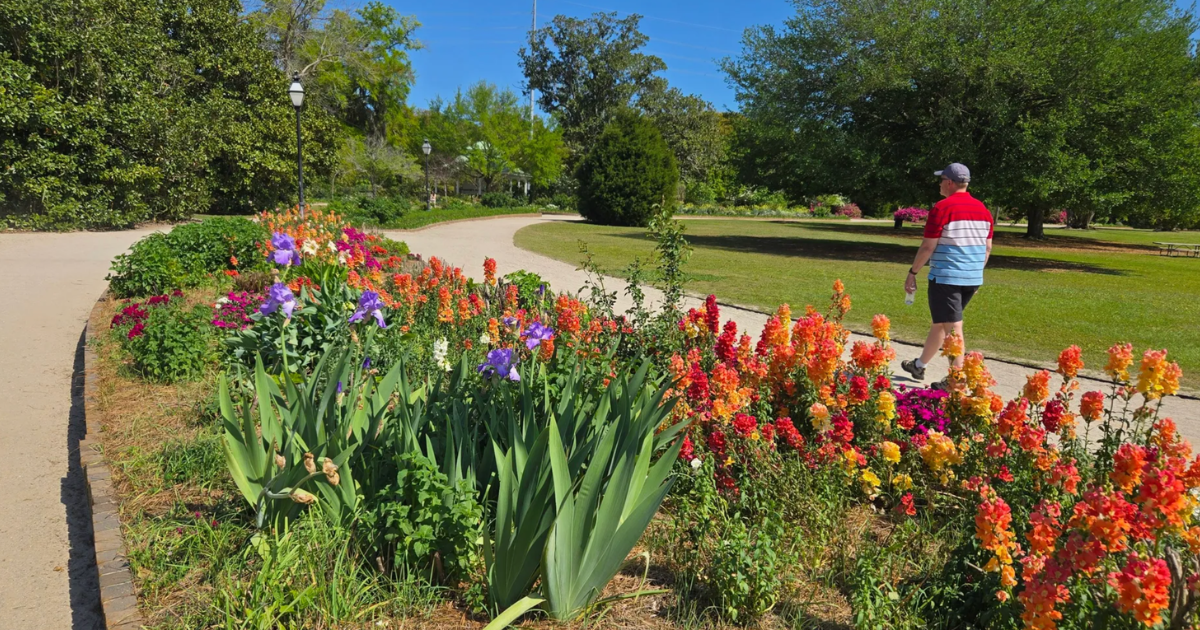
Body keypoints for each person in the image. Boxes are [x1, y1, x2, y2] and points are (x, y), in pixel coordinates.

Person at [900, 163, 994, 386]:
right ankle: (919, 366)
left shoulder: (942, 208)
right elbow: (987, 248)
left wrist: (912, 272)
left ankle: (957, 378)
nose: (939, 184)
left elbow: (927, 247)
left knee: (953, 327)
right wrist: (976, 274)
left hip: (947, 277)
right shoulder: (984, 210)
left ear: (950, 182)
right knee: (941, 323)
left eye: (941, 180)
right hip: (971, 277)